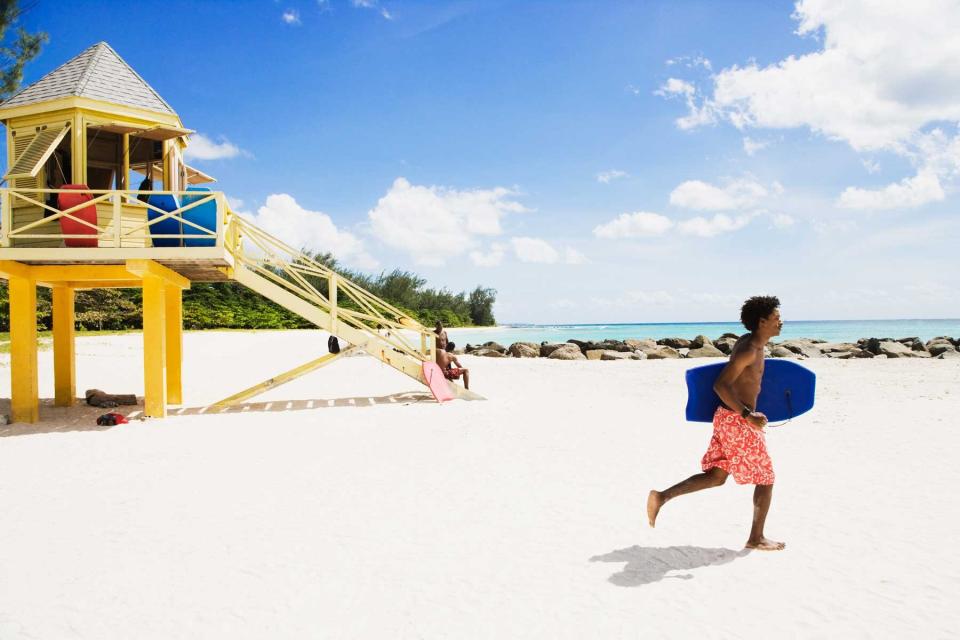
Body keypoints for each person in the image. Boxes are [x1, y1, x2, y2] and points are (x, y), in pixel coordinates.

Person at [647, 295, 785, 551]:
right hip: (737, 421)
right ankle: (756, 538)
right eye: (776, 318)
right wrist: (748, 416)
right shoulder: (749, 349)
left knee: (717, 476)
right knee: (765, 477)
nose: (781, 322)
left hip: (728, 418)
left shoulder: (754, 343)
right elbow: (720, 385)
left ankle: (661, 497)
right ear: (762, 321)